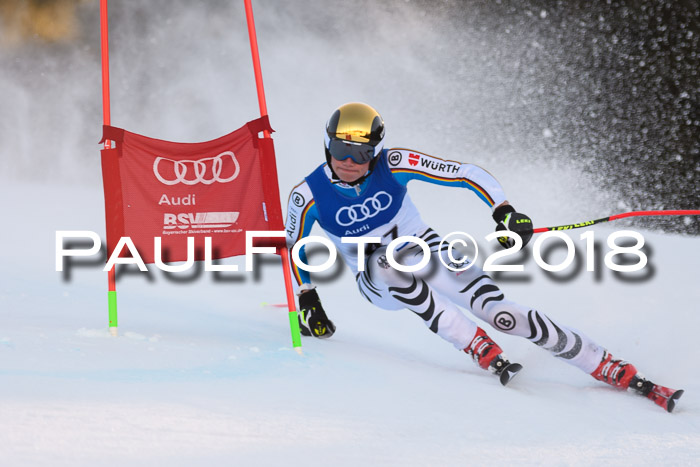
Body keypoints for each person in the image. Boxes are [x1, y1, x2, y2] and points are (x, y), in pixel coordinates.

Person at [284, 102, 683, 412]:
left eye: (361, 153)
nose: (349, 162)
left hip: (427, 250)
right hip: (377, 281)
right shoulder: (308, 195)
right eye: (340, 149)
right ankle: (469, 340)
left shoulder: (395, 164)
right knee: (387, 262)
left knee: (501, 314)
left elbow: (466, 173)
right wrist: (308, 298)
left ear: (377, 150)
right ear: (327, 144)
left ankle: (604, 364)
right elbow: (295, 248)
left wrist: (503, 211)